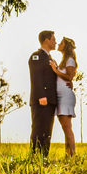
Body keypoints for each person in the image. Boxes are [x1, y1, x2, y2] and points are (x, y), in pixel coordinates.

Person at [28, 30, 58, 158]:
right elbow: (36, 77)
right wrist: (41, 95)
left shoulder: (52, 59)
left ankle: (43, 158)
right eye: (53, 39)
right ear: (46, 40)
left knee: (47, 131)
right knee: (38, 129)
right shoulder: (36, 56)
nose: (55, 42)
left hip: (50, 101)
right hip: (41, 100)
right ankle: (34, 156)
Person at [51, 37, 78, 157]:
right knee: (66, 127)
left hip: (65, 97)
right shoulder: (64, 60)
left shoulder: (70, 60)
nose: (58, 44)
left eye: (61, 43)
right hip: (61, 96)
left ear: (65, 46)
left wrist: (55, 70)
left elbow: (69, 77)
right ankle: (69, 155)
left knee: (67, 128)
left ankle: (72, 155)